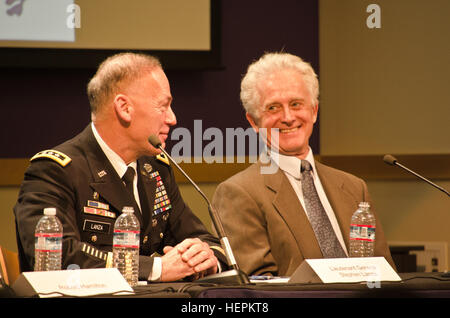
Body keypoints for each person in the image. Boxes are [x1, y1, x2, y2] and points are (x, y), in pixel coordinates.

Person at [14, 52, 226, 282]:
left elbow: (206, 241)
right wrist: (155, 268)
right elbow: (58, 255)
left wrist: (206, 258)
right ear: (125, 108)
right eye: (163, 106)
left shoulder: (156, 169)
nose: (173, 119)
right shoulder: (55, 170)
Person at [212, 52, 395, 277]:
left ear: (314, 111)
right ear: (253, 122)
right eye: (273, 108)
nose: (288, 117)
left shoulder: (354, 188)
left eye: (296, 104)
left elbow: (384, 274)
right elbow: (258, 289)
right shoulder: (238, 193)